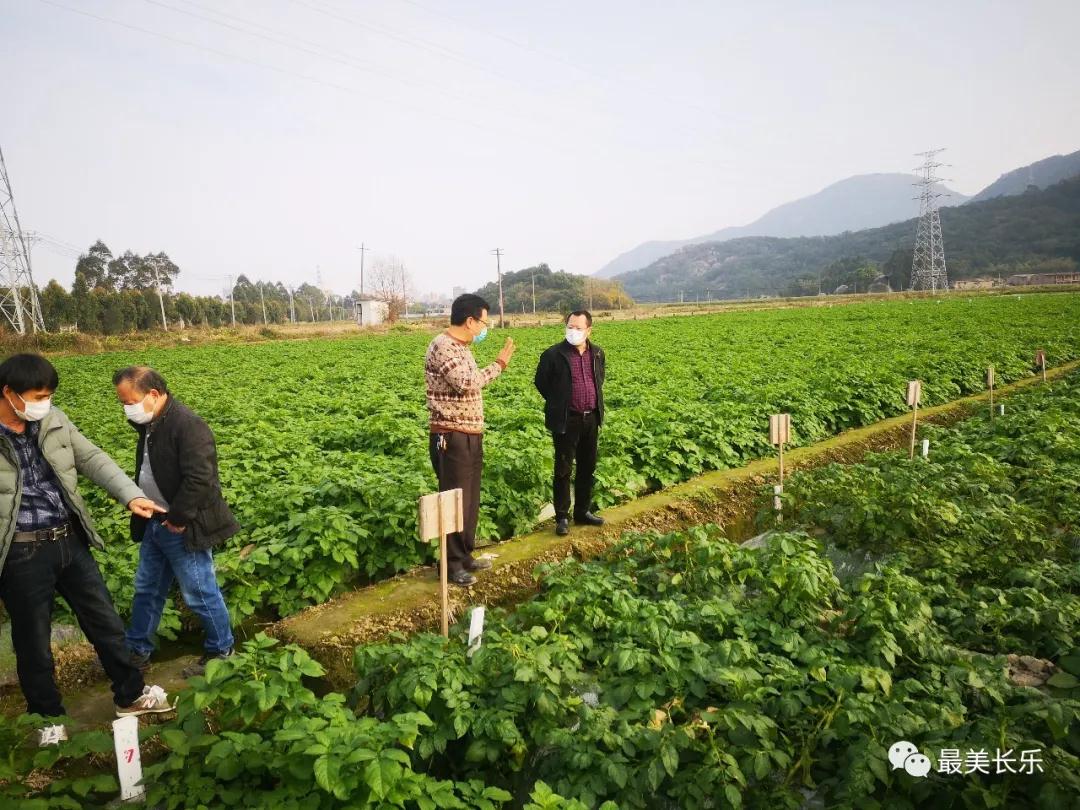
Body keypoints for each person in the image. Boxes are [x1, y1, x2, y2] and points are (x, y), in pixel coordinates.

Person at [0, 353, 172, 745]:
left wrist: (130, 495)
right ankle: (47, 719)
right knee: (33, 642)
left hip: (69, 539)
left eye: (48, 395)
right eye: (37, 395)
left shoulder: (52, 419)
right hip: (21, 553)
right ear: (9, 393)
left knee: (106, 623)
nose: (43, 403)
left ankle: (130, 694)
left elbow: (91, 457)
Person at [112, 366, 239, 679]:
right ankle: (137, 650)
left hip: (180, 525)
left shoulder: (188, 425)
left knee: (199, 590)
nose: (126, 409)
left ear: (153, 395)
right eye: (122, 403)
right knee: (147, 588)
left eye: (130, 402)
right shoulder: (151, 423)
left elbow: (201, 478)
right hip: (154, 519)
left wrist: (179, 519)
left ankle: (221, 650)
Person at [425, 294, 515, 586]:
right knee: (454, 499)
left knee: (469, 499)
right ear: (470, 321)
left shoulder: (462, 347)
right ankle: (451, 565)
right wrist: (499, 364)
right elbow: (466, 383)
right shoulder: (443, 346)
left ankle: (464, 556)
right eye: (483, 322)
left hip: (470, 433)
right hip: (450, 436)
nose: (484, 328)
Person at [534, 310, 606, 536]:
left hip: (591, 417)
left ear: (589, 330)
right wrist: (559, 402)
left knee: (588, 467)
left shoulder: (597, 353)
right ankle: (562, 517)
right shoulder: (553, 355)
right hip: (567, 419)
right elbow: (541, 383)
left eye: (578, 328)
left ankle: (582, 511)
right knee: (563, 469)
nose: (573, 331)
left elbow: (599, 379)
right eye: (570, 326)